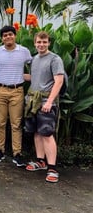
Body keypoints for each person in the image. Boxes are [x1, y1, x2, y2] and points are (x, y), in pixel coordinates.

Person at [23, 31, 64, 183]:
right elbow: (34, 78)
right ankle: (40, 161)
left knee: (47, 133)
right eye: (39, 42)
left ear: (49, 43)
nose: (41, 45)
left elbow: (58, 81)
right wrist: (13, 74)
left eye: (44, 42)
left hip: (46, 101)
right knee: (37, 132)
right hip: (33, 101)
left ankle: (52, 168)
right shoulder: (34, 59)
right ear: (35, 43)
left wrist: (49, 101)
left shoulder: (55, 59)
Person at [0, 25, 32, 166]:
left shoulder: (24, 51)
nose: (8, 37)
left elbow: (34, 64)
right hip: (0, 89)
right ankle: (0, 150)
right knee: (0, 122)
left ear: (15, 35)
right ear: (2, 38)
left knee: (16, 123)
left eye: (10, 34)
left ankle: (17, 153)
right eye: (5, 35)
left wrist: (31, 76)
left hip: (17, 91)